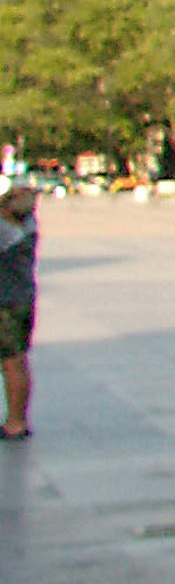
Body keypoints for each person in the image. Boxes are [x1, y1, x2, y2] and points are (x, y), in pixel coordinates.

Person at [0, 181, 37, 440]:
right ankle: (18, 419)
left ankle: (15, 423)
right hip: (23, 298)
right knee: (18, 361)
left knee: (12, 362)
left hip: (7, 303)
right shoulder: (29, 225)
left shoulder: (6, 231)